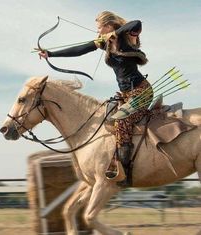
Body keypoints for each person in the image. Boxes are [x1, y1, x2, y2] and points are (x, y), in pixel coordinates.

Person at [39, 11, 153, 186]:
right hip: (124, 94)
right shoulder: (103, 42)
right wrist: (51, 54)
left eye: (100, 28)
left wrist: (116, 33)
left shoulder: (124, 36)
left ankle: (125, 171)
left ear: (108, 25)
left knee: (122, 121)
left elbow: (137, 22)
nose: (98, 32)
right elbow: (80, 49)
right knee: (106, 118)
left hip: (141, 92)